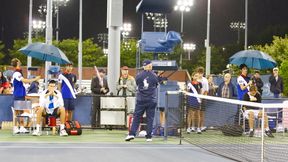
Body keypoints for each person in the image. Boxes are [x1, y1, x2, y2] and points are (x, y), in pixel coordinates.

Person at [125, 60, 159, 142]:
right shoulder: (154, 76)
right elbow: (156, 84)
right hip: (151, 100)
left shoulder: (139, 75)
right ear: (150, 66)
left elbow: (137, 84)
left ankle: (132, 134)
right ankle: (149, 136)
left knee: (136, 117)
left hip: (141, 100)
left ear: (144, 66)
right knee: (150, 118)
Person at [11, 58, 40, 134]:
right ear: (17, 63)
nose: (20, 62)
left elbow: (24, 83)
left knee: (21, 112)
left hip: (22, 94)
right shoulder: (16, 73)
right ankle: (16, 127)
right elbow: (25, 80)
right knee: (17, 111)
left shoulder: (19, 73)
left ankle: (22, 127)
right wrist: (34, 79)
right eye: (19, 61)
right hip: (18, 94)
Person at [196, 67, 208, 132]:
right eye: (199, 73)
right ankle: (195, 127)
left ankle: (201, 126)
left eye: (201, 73)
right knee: (196, 113)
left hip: (203, 99)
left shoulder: (205, 80)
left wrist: (202, 97)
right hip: (195, 99)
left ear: (203, 73)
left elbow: (206, 90)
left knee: (202, 113)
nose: (200, 74)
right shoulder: (195, 79)